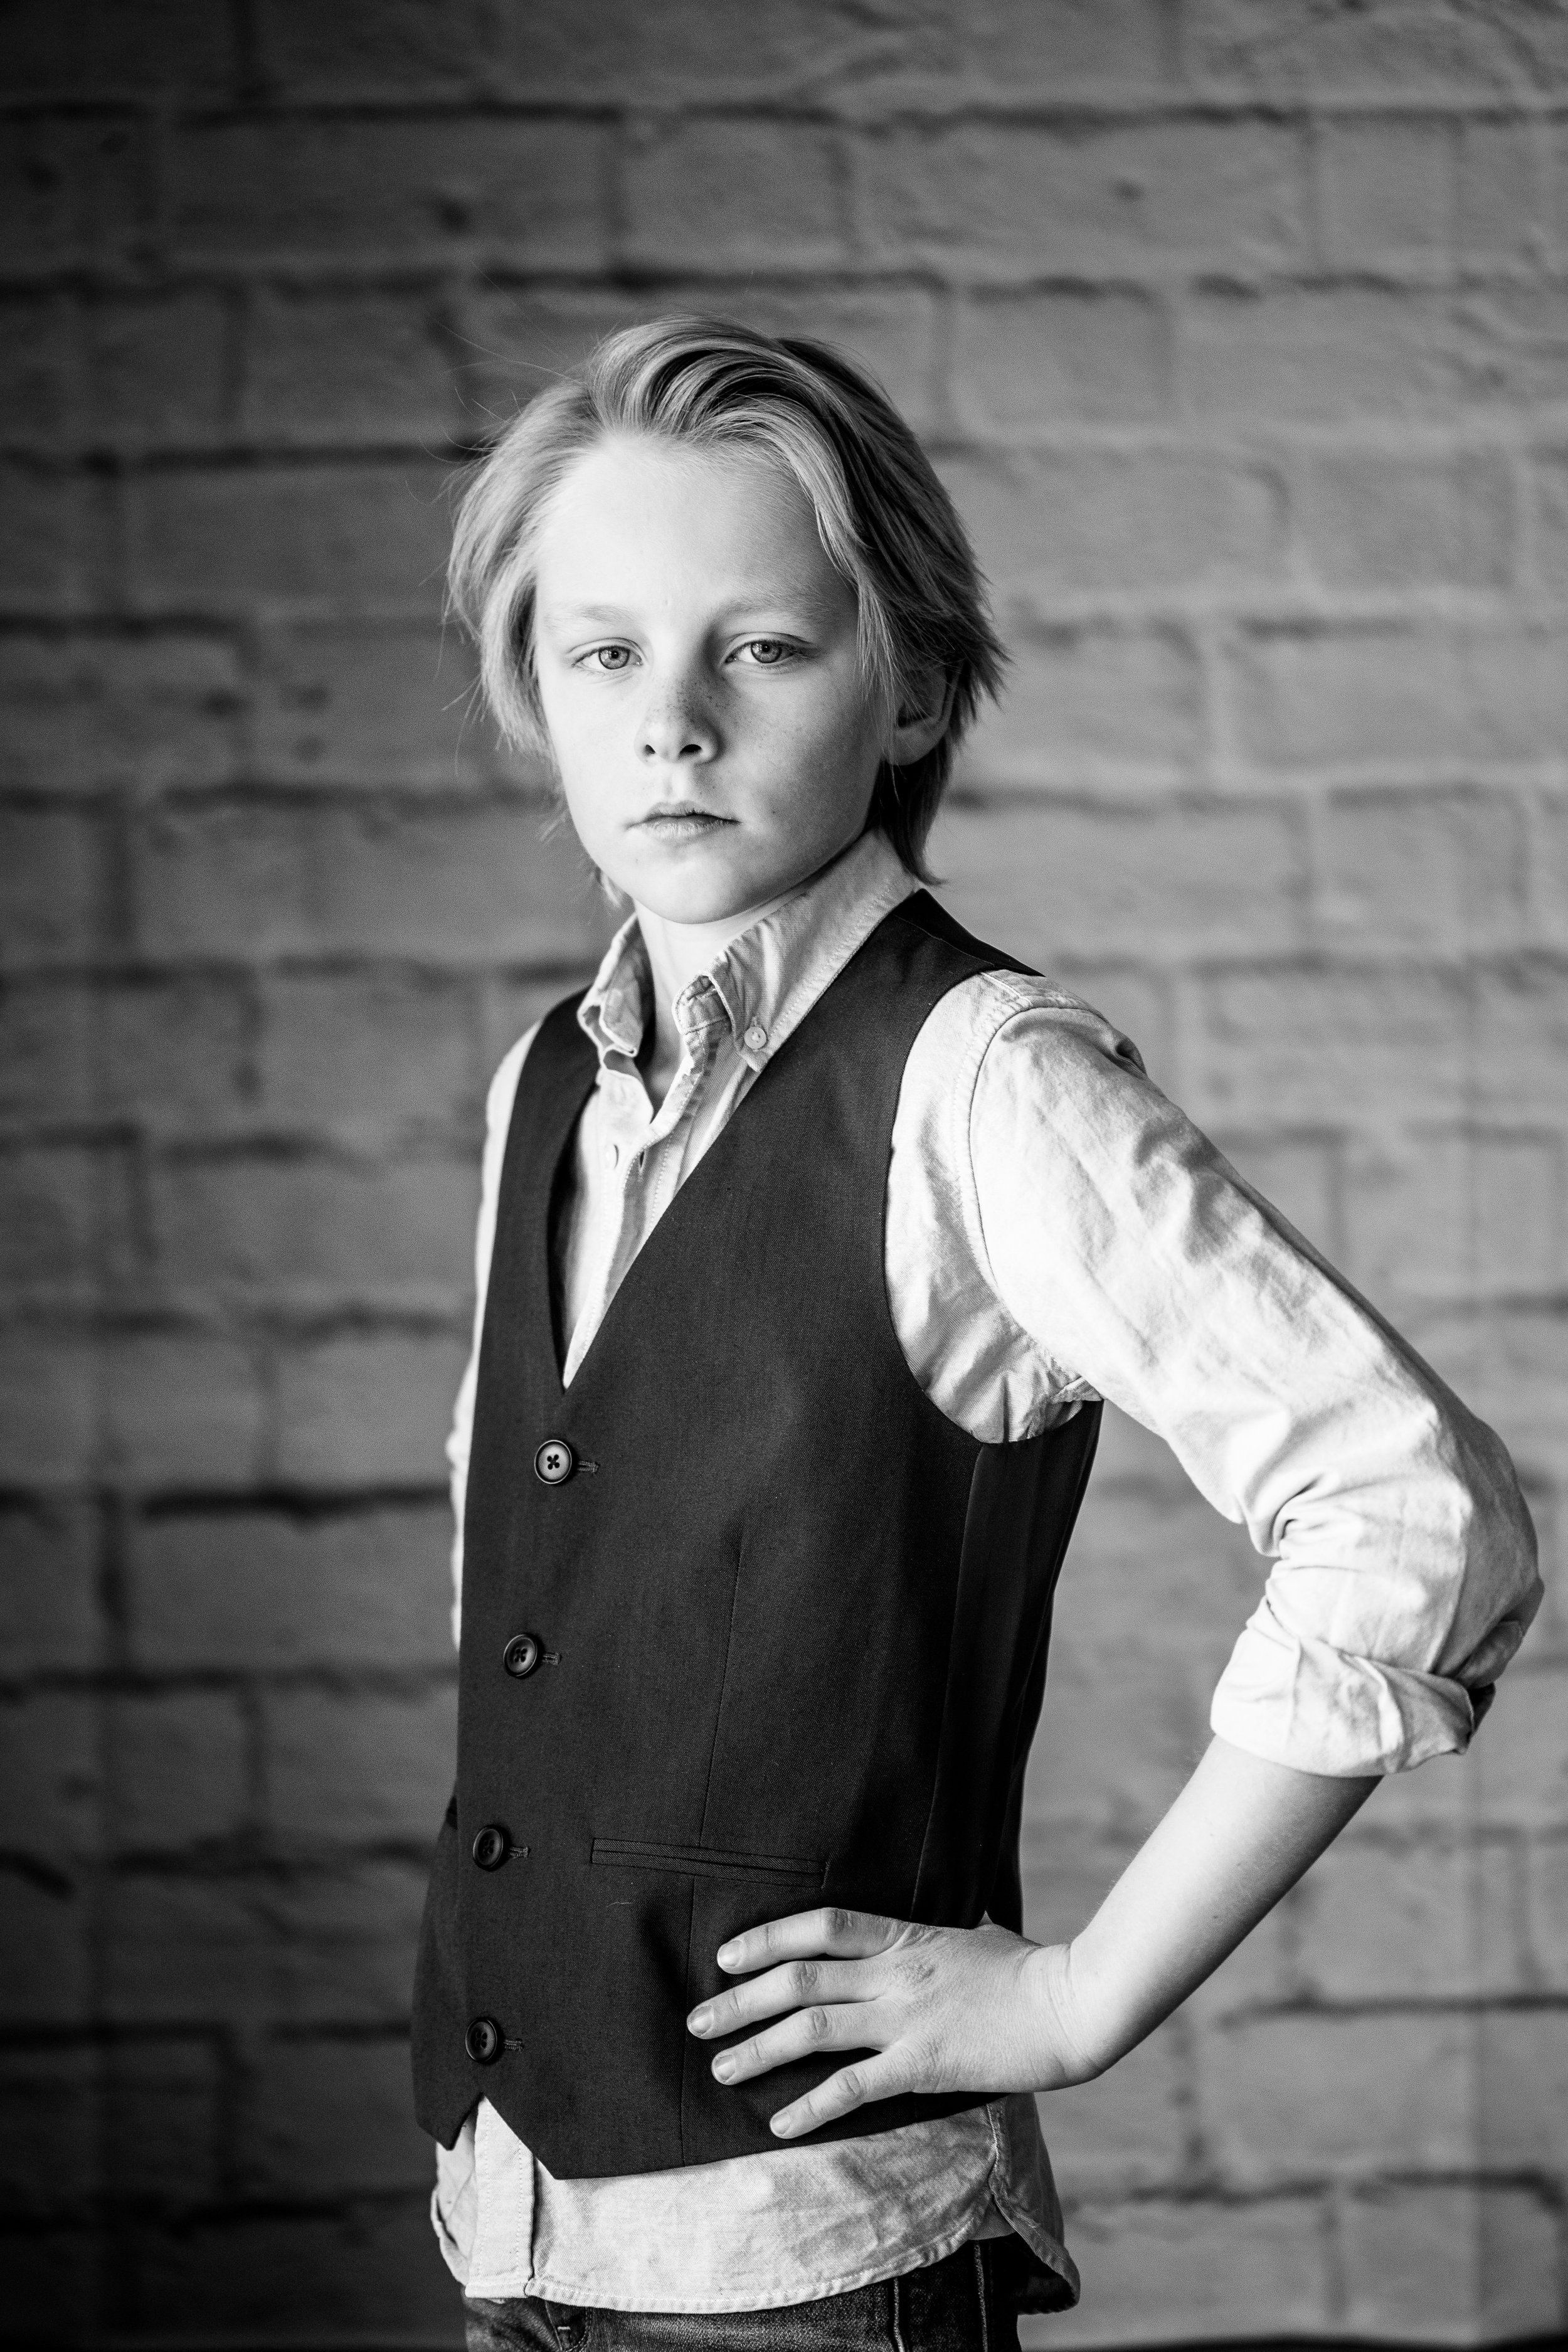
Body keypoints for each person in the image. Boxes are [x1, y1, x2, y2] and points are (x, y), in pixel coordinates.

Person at [411, 317, 1540, 2351]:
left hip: (808, 2261)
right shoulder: (538, 1096)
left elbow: (1413, 1512)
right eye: (601, 654)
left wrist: (1073, 1995)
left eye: (757, 648)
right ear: (535, 699)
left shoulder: (981, 1079)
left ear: (909, 681)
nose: (671, 721)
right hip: (508, 2215)